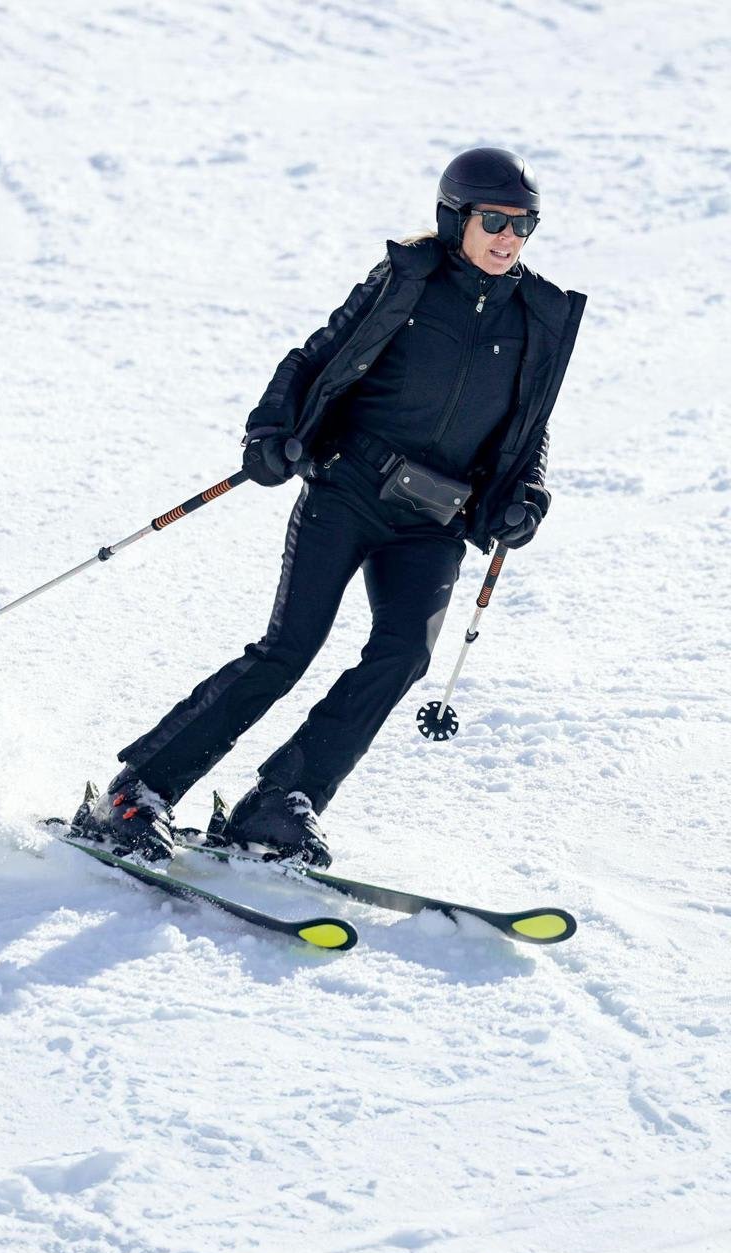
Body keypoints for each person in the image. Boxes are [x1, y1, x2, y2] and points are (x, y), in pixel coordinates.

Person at [71, 146, 587, 867]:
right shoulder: (407, 279)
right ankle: (138, 792)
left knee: (403, 654)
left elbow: (530, 427)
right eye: (493, 220)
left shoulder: (538, 314)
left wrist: (527, 496)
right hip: (348, 489)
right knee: (288, 650)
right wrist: (268, 430)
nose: (509, 237)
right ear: (455, 218)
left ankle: (280, 799)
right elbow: (313, 357)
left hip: (434, 521)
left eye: (523, 224)